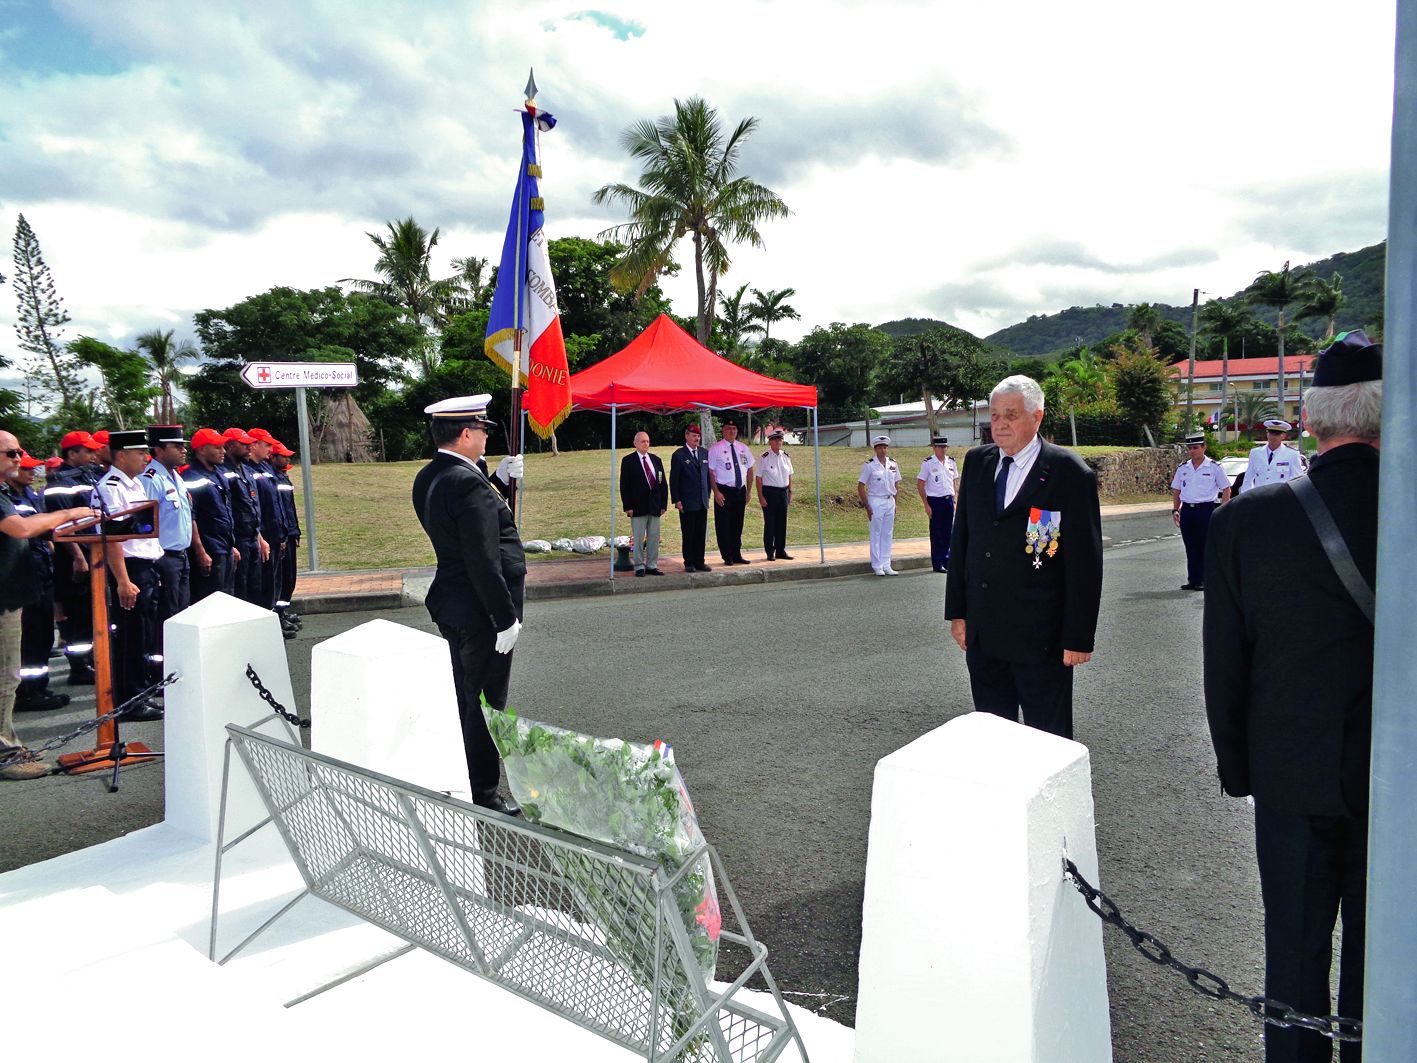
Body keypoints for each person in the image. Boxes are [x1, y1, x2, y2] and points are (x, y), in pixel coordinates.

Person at [1203, 329, 1381, 1063]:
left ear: (1309, 420)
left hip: (1289, 772)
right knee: (1387, 954)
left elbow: (1225, 664)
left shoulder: (1246, 518)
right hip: (1395, 779)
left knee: (1294, 952)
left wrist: (1240, 767)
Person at [944, 375, 1104, 740]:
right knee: (992, 735)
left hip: (1040, 637)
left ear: (1037, 417)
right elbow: (963, 540)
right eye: (995, 415)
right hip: (985, 634)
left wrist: (1078, 637)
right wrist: (958, 612)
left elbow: (1084, 564)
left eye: (1011, 415)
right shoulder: (978, 463)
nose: (1000, 424)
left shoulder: (1068, 473)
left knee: (1047, 738)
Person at [411, 395, 524, 816]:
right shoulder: (466, 483)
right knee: (483, 702)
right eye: (481, 430)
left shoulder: (433, 475)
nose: (485, 436)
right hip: (482, 610)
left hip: (454, 601)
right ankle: (484, 793)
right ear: (464, 434)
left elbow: (461, 519)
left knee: (465, 694)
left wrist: (493, 476)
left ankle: (468, 778)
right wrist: (504, 617)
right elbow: (482, 556)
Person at [1, 430, 99, 780]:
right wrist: (70, 513)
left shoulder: (10, 493)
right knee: (6, 675)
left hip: (16, 592)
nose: (19, 459)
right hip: (5, 600)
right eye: (11, 453)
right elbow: (20, 529)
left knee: (10, 673)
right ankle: (6, 754)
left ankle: (8, 744)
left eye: (20, 453)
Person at [96, 430, 165, 721]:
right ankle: (129, 700)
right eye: (140, 453)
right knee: (130, 636)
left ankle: (142, 691)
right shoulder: (112, 486)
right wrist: (123, 580)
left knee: (143, 633)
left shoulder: (133, 483)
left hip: (145, 566)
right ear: (121, 455)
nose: (145, 458)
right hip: (130, 568)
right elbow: (113, 537)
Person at [3, 452, 69, 712]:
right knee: (28, 638)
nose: (31, 473)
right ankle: (28, 692)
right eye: (27, 469)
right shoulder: (7, 497)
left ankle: (38, 686)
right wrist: (67, 513)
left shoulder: (30, 495)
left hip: (39, 569)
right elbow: (24, 529)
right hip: (18, 575)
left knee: (42, 634)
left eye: (33, 468)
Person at [44, 430, 102, 685]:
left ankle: (91, 661)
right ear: (72, 453)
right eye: (87, 451)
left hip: (93, 551)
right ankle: (78, 667)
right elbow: (62, 526)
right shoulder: (59, 483)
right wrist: (79, 557)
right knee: (76, 615)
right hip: (74, 557)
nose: (92, 454)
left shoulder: (87, 476)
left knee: (91, 612)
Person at [141, 425, 208, 636]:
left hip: (181, 556)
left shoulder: (176, 477)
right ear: (159, 450)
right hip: (163, 559)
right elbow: (145, 524)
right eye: (177, 446)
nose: (184, 450)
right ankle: (164, 665)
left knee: (182, 613)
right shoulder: (151, 479)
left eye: (183, 446)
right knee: (167, 616)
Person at [183, 427, 239, 602]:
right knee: (211, 601)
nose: (223, 451)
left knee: (227, 600)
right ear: (201, 450)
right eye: (217, 447)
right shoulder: (191, 477)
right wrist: (200, 552)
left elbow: (225, 512)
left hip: (225, 548)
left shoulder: (218, 474)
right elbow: (191, 517)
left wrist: (232, 545)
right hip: (210, 550)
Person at [1171, 432, 1232, 591]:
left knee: (1205, 545)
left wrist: (1224, 510)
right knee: (1190, 546)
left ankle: (1204, 579)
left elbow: (1226, 488)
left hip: (1205, 509)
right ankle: (1193, 579)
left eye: (1196, 448)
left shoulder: (1214, 467)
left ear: (1204, 447)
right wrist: (1175, 509)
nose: (1192, 451)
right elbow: (1176, 489)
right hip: (1188, 511)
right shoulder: (1183, 468)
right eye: (1190, 448)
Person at [222, 427, 267, 606]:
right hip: (238, 539)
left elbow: (252, 507)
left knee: (254, 589)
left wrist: (259, 537)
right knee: (239, 592)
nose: (250, 447)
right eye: (244, 444)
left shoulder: (246, 471)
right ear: (231, 446)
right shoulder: (224, 472)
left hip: (251, 538)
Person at [245, 429, 286, 612]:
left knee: (273, 582)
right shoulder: (248, 470)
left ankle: (276, 617)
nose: (271, 448)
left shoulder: (265, 468)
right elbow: (253, 507)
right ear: (254, 445)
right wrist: (260, 537)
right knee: (262, 586)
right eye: (267, 444)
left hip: (274, 534)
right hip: (263, 536)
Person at [619, 431, 668, 576]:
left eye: (647, 441)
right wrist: (627, 506)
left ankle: (652, 565)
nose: (645, 444)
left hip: (655, 506)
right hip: (637, 507)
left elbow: (662, 483)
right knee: (639, 538)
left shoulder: (656, 460)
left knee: (654, 537)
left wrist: (663, 504)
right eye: (642, 441)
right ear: (635, 443)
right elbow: (624, 485)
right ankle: (639, 566)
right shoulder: (628, 461)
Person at [708, 421, 754, 565]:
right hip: (724, 491)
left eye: (734, 428)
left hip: (740, 490)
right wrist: (715, 492)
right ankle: (727, 556)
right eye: (728, 428)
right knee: (724, 525)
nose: (732, 431)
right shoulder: (716, 448)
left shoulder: (742, 448)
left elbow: (750, 468)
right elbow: (710, 472)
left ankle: (737, 554)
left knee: (737, 524)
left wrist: (749, 491)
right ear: (723, 431)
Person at [270, 441, 303, 634]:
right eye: (283, 456)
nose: (287, 459)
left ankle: (283, 610)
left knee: (289, 577)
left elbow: (289, 508)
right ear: (273, 457)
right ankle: (279, 614)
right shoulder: (273, 478)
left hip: (289, 531)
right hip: (281, 534)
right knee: (280, 578)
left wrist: (295, 530)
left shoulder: (283, 477)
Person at [857, 434, 902, 575]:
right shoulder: (869, 465)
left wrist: (896, 502)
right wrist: (867, 506)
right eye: (880, 448)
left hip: (890, 500)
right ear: (875, 449)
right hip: (875, 500)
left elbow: (897, 483)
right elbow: (860, 486)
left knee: (887, 534)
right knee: (876, 534)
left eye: (885, 447)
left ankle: (886, 564)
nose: (883, 450)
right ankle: (877, 565)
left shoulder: (893, 464)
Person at [670, 423, 711, 572]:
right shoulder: (679, 455)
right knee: (689, 533)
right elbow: (674, 480)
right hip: (687, 501)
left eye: (698, 436)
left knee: (700, 533)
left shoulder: (704, 453)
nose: (696, 438)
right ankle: (689, 562)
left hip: (702, 501)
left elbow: (707, 477)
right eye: (694, 435)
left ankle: (700, 561)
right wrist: (676, 500)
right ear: (686, 436)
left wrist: (708, 495)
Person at [917, 435, 959, 573]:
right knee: (936, 533)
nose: (943, 450)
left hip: (948, 500)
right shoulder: (928, 463)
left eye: (944, 447)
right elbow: (921, 484)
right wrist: (926, 504)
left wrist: (955, 500)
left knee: (948, 532)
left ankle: (947, 560)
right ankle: (937, 562)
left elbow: (954, 482)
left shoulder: (951, 462)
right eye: (940, 447)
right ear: (934, 448)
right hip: (935, 500)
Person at [756, 429, 795, 560]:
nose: (779, 442)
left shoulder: (786, 456)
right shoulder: (764, 457)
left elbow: (790, 475)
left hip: (783, 492)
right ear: (770, 441)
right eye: (776, 440)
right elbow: (759, 478)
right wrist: (760, 496)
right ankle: (769, 551)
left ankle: (780, 550)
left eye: (781, 439)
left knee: (781, 523)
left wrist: (790, 491)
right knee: (770, 523)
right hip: (769, 492)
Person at [1240, 418, 1307, 493]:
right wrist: (1246, 498)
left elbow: (1297, 480)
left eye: (1277, 434)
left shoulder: (1292, 454)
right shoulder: (1255, 453)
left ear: (1283, 436)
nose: (1273, 437)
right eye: (1271, 433)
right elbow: (1248, 478)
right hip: (1260, 497)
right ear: (1267, 434)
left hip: (1280, 498)